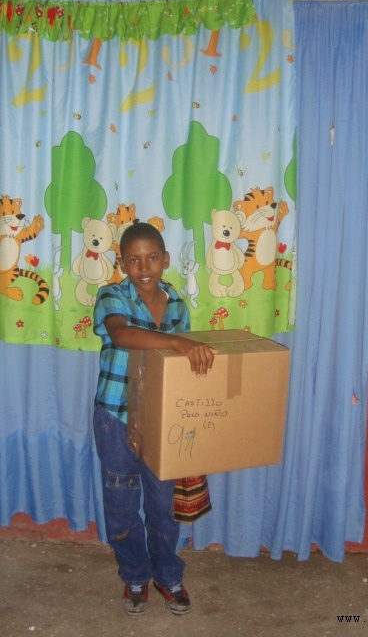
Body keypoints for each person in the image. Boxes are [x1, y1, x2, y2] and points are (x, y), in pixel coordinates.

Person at [93, 222, 217, 617]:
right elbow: (123, 336)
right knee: (122, 504)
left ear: (164, 260)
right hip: (116, 416)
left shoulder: (177, 305)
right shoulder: (111, 295)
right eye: (134, 260)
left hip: (164, 420)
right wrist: (179, 342)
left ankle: (168, 575)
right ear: (122, 264)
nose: (143, 267)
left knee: (164, 506)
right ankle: (134, 575)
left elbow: (181, 370)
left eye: (151, 258)